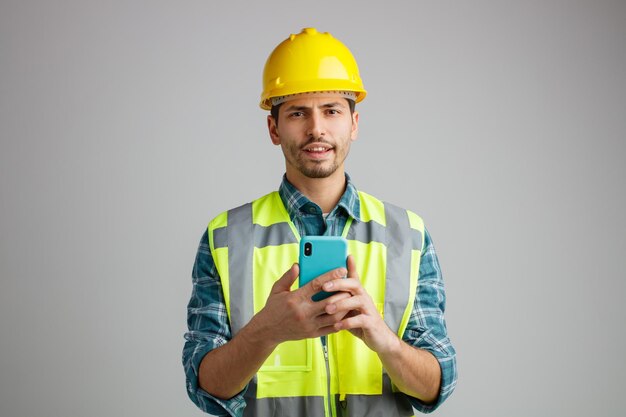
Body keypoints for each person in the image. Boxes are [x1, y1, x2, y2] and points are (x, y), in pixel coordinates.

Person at [183, 28, 457, 417]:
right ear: (274, 128)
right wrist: (268, 330)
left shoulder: (407, 234)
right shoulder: (226, 237)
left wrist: (383, 339)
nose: (317, 129)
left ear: (354, 123)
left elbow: (435, 387)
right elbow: (205, 387)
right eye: (298, 112)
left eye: (331, 110)